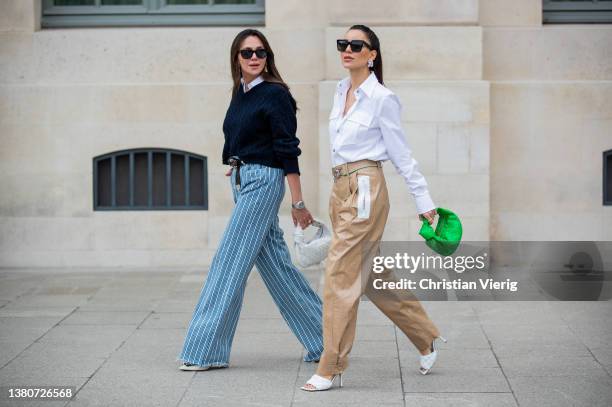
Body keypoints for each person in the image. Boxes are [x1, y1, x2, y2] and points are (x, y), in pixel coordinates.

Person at [301, 24, 445, 391]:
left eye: (356, 45)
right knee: (372, 276)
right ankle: (425, 336)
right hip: (340, 188)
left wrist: (425, 202)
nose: (347, 50)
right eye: (342, 44)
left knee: (338, 275)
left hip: (366, 187)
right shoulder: (340, 91)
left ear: (372, 54)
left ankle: (330, 365)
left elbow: (401, 155)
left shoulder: (382, 98)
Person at [177, 28, 323, 371]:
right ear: (236, 59)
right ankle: (326, 337)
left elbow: (288, 149)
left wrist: (298, 202)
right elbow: (235, 134)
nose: (255, 58)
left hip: (264, 183)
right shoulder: (241, 92)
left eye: (261, 52)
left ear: (268, 57)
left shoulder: (275, 94)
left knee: (228, 262)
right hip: (244, 180)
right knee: (276, 267)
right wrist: (235, 161)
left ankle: (205, 349)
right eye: (247, 53)